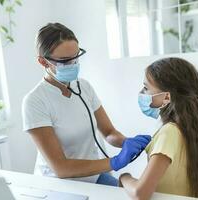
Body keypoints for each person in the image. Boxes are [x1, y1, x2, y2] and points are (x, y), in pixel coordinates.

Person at [22, 22, 151, 186]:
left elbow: (109, 132)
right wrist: (115, 161)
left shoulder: (84, 87)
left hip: (93, 176)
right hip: (58, 183)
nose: (73, 64)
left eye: (75, 57)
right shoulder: (35, 101)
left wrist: (128, 143)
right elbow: (61, 168)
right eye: (64, 60)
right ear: (43, 62)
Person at [119, 57, 198, 199]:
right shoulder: (194, 128)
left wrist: (124, 177)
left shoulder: (169, 132)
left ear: (166, 96)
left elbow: (140, 193)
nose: (142, 93)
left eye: (146, 88)